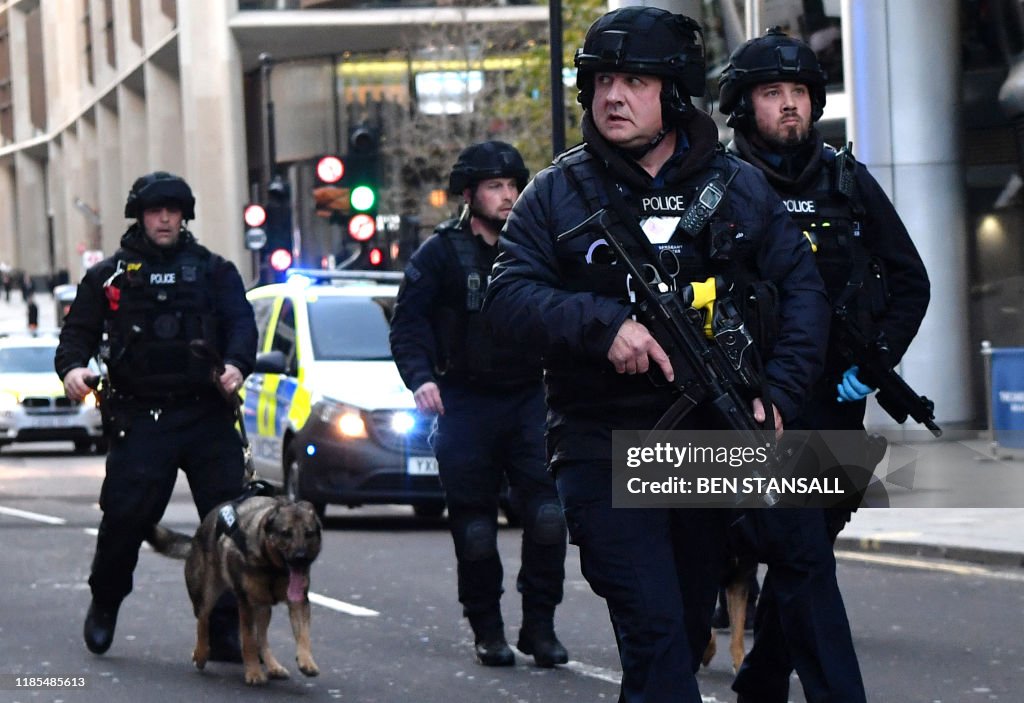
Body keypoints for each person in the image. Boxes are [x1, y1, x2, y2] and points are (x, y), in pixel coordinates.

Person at [483, 7, 830, 702]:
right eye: (603, 79)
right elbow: (507, 298)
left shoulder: (738, 186)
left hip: (707, 446)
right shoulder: (556, 193)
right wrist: (600, 324)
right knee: (656, 633)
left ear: (672, 93)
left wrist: (781, 394)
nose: (612, 95)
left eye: (634, 81)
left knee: (679, 626)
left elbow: (803, 294)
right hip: (602, 445)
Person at [718, 28, 931, 702]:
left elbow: (910, 281)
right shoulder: (717, 185)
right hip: (761, 409)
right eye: (772, 93)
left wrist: (876, 365)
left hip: (839, 401)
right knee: (802, 553)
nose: (789, 106)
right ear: (743, 104)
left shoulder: (847, 179)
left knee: (801, 555)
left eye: (800, 94)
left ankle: (758, 681)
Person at [54, 171, 258, 660]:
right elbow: (76, 336)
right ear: (141, 216)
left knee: (228, 524)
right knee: (125, 519)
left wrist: (235, 366)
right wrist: (74, 370)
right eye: (155, 211)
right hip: (141, 418)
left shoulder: (214, 271)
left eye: (173, 211)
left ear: (184, 216)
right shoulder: (109, 276)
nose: (164, 219)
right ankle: (105, 602)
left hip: (206, 415)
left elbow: (241, 326)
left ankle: (226, 626)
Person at [389, 141, 569, 668]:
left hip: (529, 399)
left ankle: (540, 625)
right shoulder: (440, 253)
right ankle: (487, 629)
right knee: (474, 528)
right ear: (470, 194)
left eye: (514, 185)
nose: (509, 195)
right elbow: (408, 325)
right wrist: (421, 380)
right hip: (464, 403)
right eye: (496, 186)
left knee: (547, 516)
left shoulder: (538, 247)